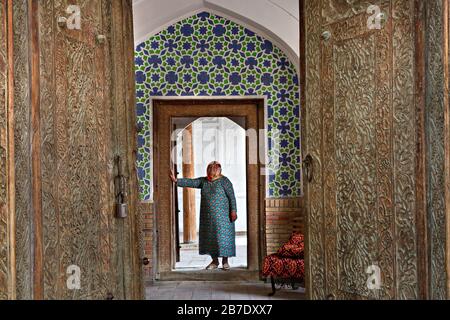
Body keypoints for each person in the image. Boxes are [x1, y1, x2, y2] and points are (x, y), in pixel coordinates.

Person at [169, 161, 238, 270]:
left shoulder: (225, 181)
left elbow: (232, 197)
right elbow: (192, 182)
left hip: (224, 218)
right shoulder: (204, 181)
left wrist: (233, 211)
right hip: (208, 217)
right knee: (211, 239)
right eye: (211, 169)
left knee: (224, 239)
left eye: (215, 169)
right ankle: (215, 261)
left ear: (219, 170)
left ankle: (225, 261)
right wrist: (176, 180)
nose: (213, 171)